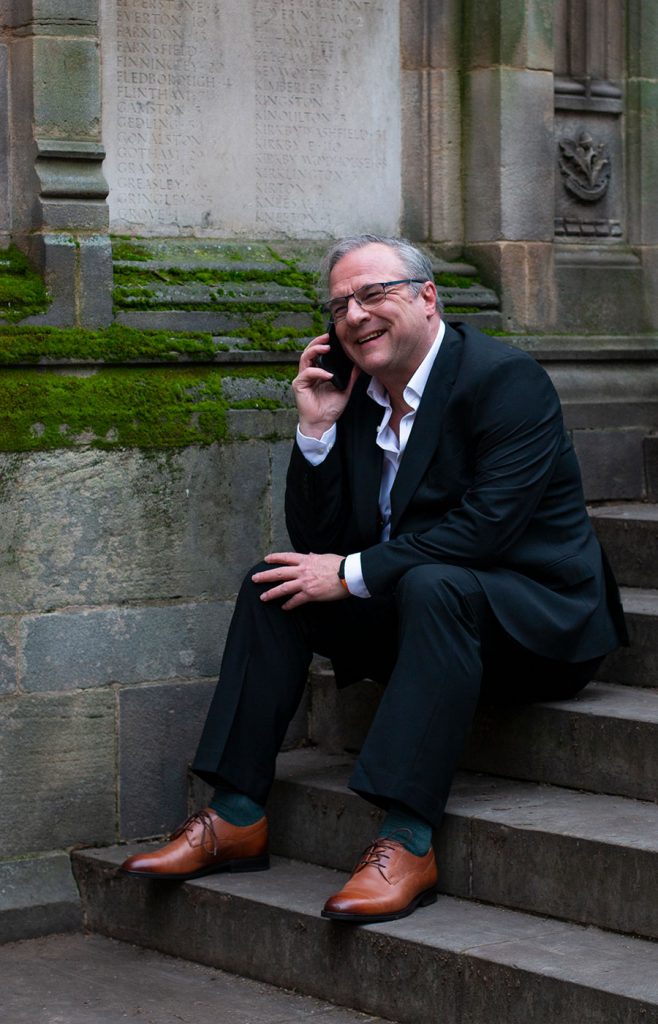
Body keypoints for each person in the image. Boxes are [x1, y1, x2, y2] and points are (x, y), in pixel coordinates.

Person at [121, 235, 627, 924]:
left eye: (373, 294)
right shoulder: (358, 394)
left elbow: (485, 530)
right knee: (276, 584)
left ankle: (407, 839)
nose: (354, 315)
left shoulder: (505, 380)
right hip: (427, 622)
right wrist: (317, 432)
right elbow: (321, 542)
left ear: (427, 296)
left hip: (536, 625)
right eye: (340, 306)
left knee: (433, 583)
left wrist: (351, 573)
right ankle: (236, 813)